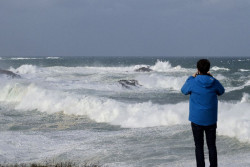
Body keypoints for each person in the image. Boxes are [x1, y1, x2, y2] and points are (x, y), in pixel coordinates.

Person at [181, 59, 225, 167]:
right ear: (208, 69)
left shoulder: (193, 81)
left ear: (198, 69)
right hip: (210, 120)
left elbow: (183, 90)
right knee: (212, 146)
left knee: (199, 147)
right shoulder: (213, 81)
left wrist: (191, 77)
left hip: (196, 120)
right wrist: (212, 77)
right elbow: (222, 91)